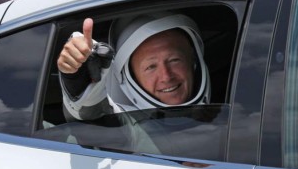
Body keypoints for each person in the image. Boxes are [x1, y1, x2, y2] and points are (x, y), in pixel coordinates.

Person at [57, 11, 211, 121]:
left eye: (174, 60)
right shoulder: (130, 131)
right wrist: (77, 80)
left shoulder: (231, 117)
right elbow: (94, 116)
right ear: (130, 78)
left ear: (193, 59)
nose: (166, 76)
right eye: (151, 67)